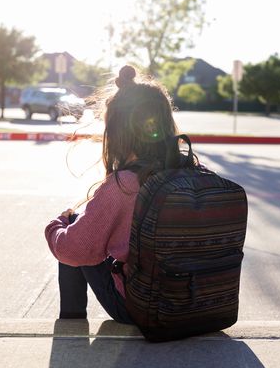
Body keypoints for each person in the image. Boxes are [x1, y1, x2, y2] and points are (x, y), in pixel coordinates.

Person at [44, 65, 197, 323]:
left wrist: (56, 225)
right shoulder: (192, 171)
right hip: (197, 303)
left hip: (143, 308)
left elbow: (72, 250)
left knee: (73, 230)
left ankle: (71, 326)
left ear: (118, 130)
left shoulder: (124, 184)